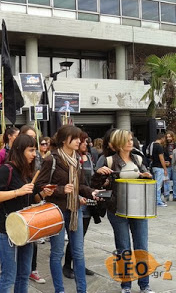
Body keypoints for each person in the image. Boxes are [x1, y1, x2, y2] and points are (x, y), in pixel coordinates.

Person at [35, 125, 100, 293]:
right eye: (76, 138)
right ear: (65, 140)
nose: (80, 141)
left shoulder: (76, 158)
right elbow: (39, 185)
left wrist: (92, 192)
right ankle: (60, 290)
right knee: (57, 253)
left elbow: (81, 185)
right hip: (56, 211)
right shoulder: (52, 159)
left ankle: (82, 290)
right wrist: (60, 189)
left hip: (74, 209)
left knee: (78, 252)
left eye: (80, 138)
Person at [0, 134, 53, 292]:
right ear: (19, 150)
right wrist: (18, 191)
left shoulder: (29, 171)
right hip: (6, 228)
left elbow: (34, 199)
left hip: (26, 226)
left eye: (35, 150)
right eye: (30, 150)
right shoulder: (6, 169)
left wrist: (44, 194)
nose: (34, 154)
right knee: (9, 274)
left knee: (24, 273)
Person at [92, 129, 154, 293]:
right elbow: (96, 186)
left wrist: (146, 175)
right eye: (126, 140)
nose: (130, 142)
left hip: (139, 207)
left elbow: (148, 176)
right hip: (117, 208)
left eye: (131, 139)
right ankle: (126, 286)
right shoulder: (108, 160)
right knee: (123, 248)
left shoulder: (138, 158)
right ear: (118, 142)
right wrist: (100, 176)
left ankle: (144, 285)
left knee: (142, 247)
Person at [62, 132, 104, 279]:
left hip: (88, 201)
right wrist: (78, 196)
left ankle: (79, 263)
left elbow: (90, 179)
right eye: (83, 141)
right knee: (75, 236)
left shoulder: (89, 158)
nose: (85, 143)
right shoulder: (73, 159)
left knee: (81, 237)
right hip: (76, 201)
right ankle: (67, 265)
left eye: (86, 141)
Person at [19, 125, 45, 283]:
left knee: (33, 241)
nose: (33, 141)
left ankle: (32, 269)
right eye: (29, 137)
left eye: (34, 137)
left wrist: (43, 192)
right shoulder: (10, 164)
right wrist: (19, 191)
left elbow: (35, 191)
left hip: (32, 206)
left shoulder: (37, 159)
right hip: (16, 211)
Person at [150, 133, 168, 207]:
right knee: (158, 185)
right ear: (162, 138)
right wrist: (165, 168)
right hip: (159, 167)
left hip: (153, 166)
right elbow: (161, 158)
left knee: (155, 184)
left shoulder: (151, 145)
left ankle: (155, 199)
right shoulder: (159, 147)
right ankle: (158, 201)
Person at [164, 131, 175, 201]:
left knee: (175, 181)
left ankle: (175, 196)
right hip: (168, 164)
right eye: (167, 137)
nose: (168, 138)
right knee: (166, 181)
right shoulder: (165, 145)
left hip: (174, 164)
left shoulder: (175, 145)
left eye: (169, 136)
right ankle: (166, 195)